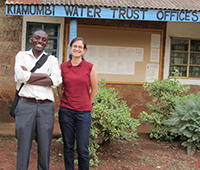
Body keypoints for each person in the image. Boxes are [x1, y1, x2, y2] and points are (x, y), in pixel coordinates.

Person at [14, 30, 62, 170]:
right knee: (23, 145)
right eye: (37, 38)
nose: (40, 41)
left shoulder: (52, 60)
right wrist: (45, 77)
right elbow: (19, 76)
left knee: (45, 145)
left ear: (47, 42)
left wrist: (29, 76)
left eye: (44, 39)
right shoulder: (22, 56)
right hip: (25, 105)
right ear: (31, 39)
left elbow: (56, 80)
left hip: (45, 107)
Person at [58, 37, 98, 170]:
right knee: (68, 146)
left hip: (83, 113)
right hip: (66, 112)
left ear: (84, 50)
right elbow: (60, 88)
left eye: (80, 47)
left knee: (83, 148)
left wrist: (87, 103)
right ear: (70, 48)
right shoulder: (63, 67)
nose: (77, 49)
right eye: (75, 46)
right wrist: (64, 101)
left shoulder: (89, 67)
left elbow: (95, 89)